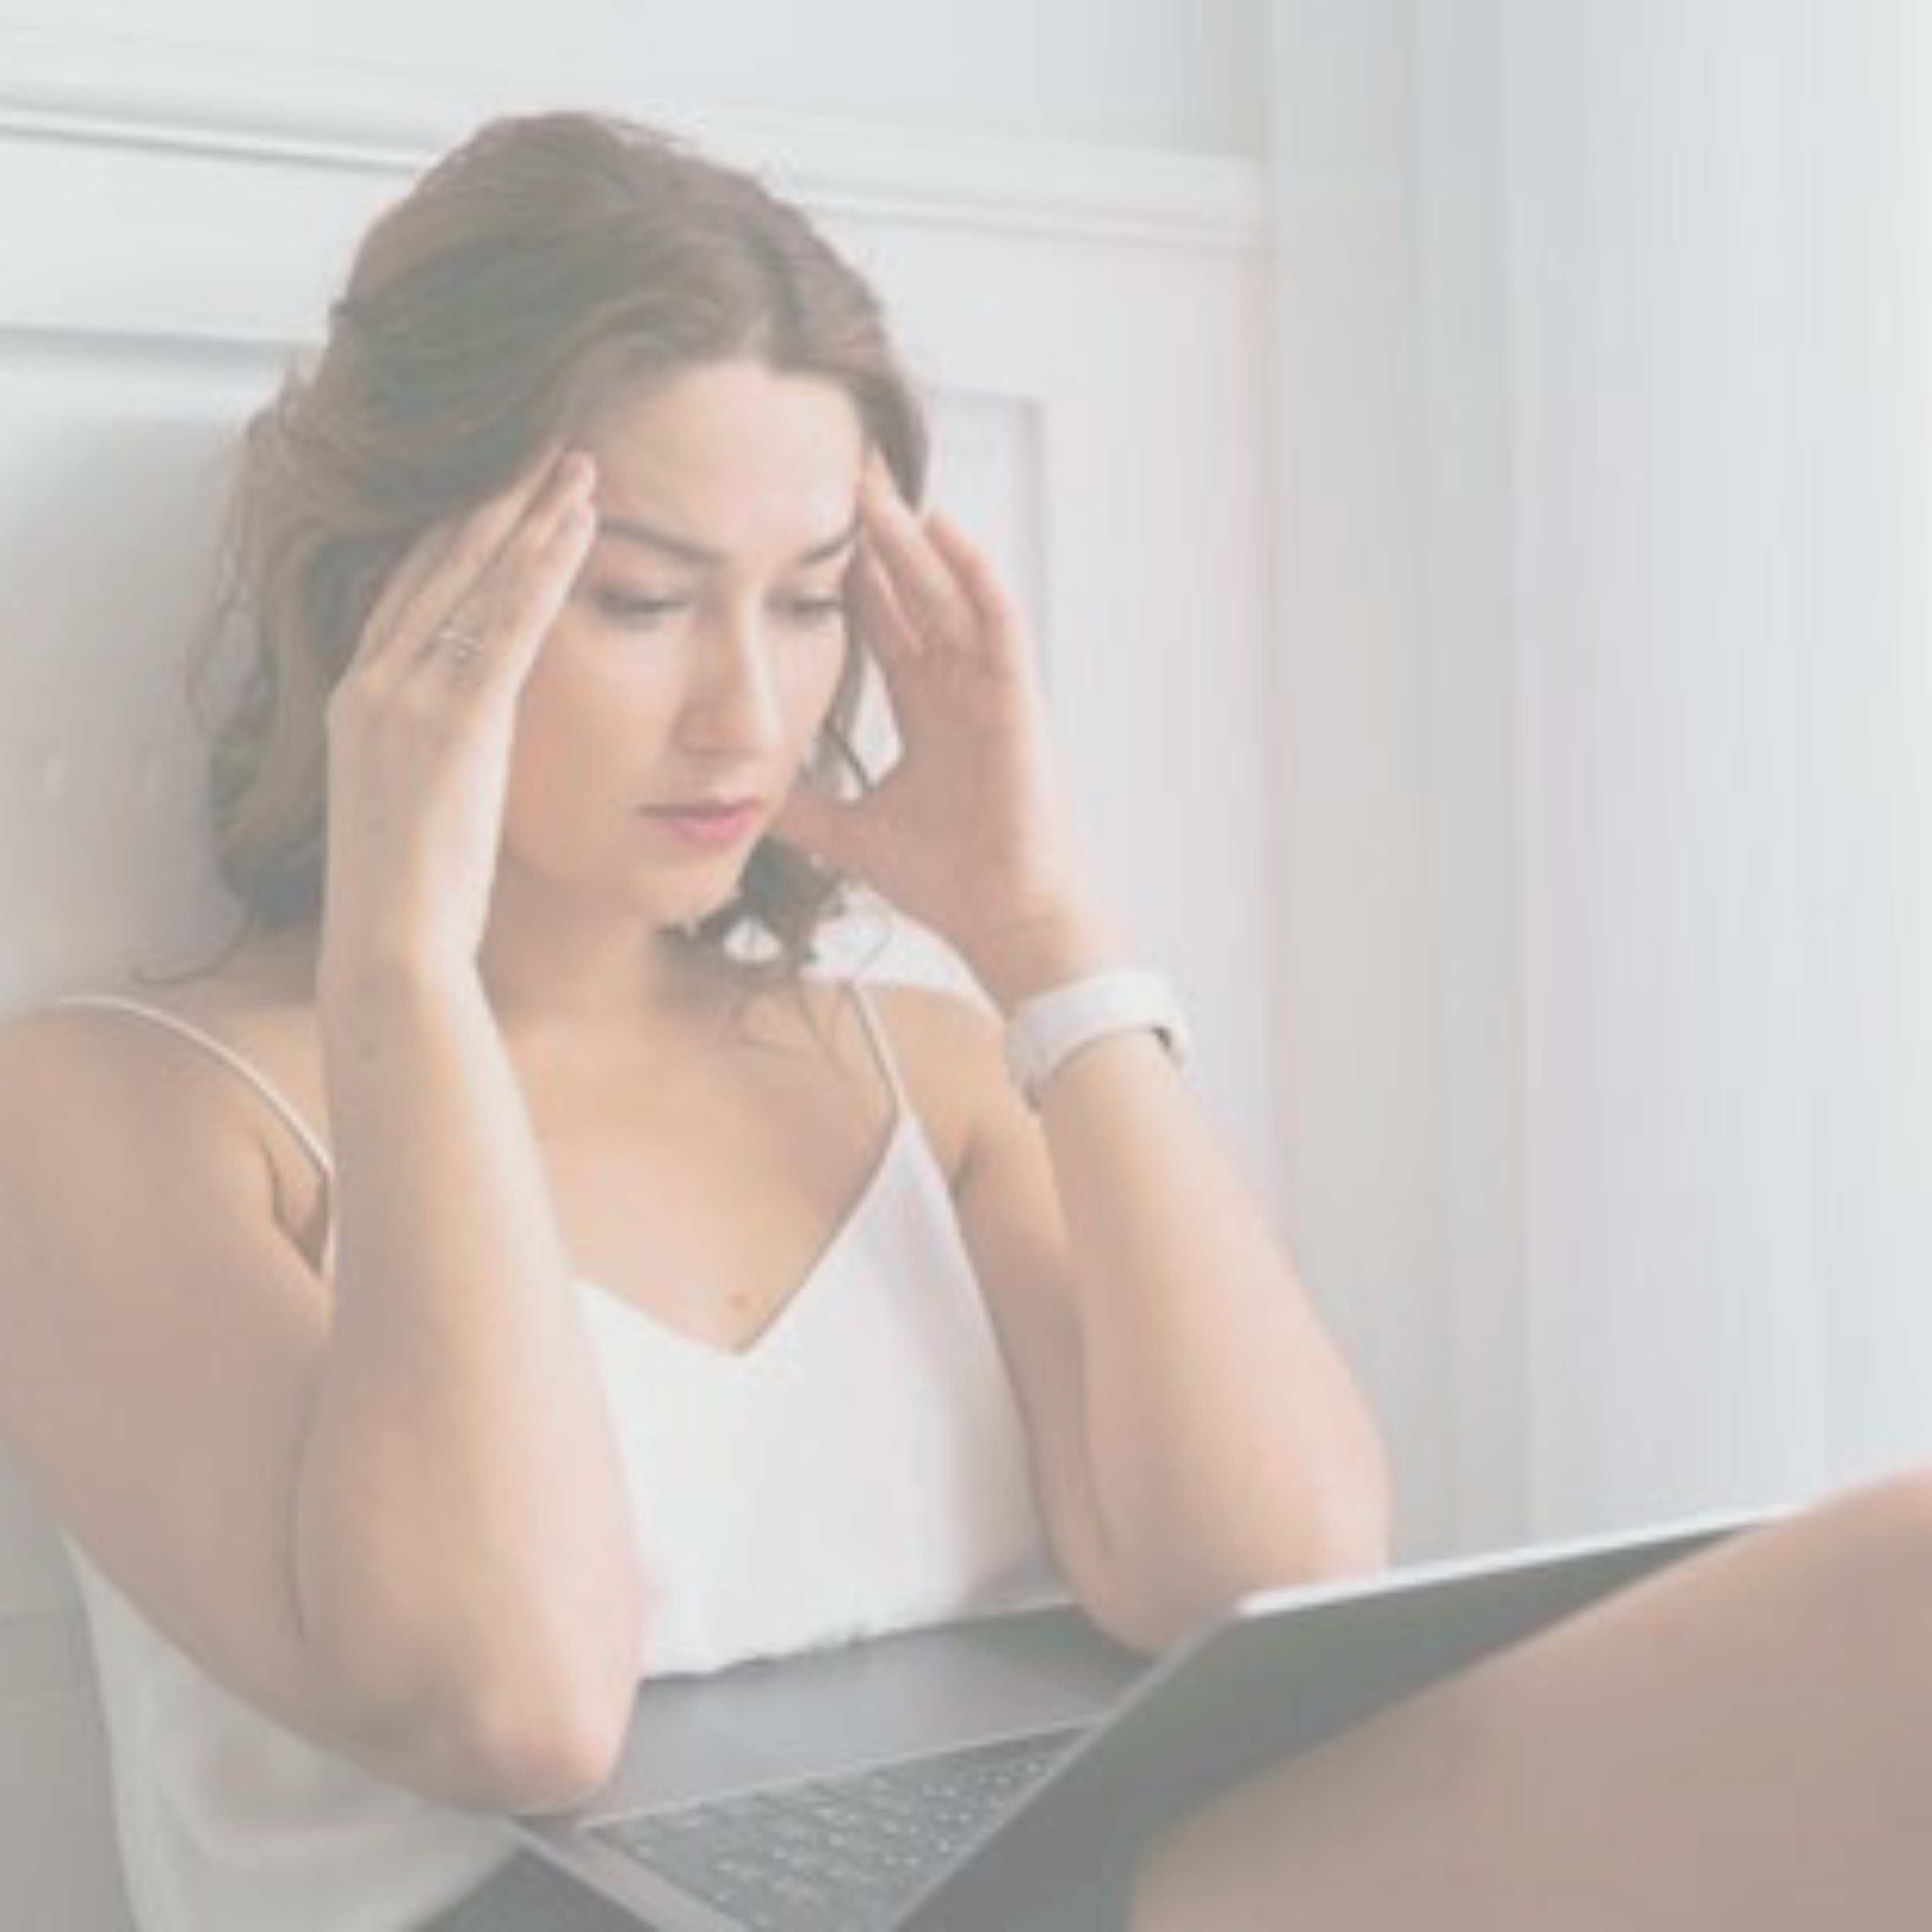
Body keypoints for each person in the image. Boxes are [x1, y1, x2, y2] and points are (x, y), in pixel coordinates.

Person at [0, 106, 1925, 1932]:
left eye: (814, 598)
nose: (746, 714)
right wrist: (406, 965)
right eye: (646, 602)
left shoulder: (908, 1057)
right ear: (392, 602)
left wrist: (1041, 934)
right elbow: (506, 1701)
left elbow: (1267, 1566)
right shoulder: (119, 1107)